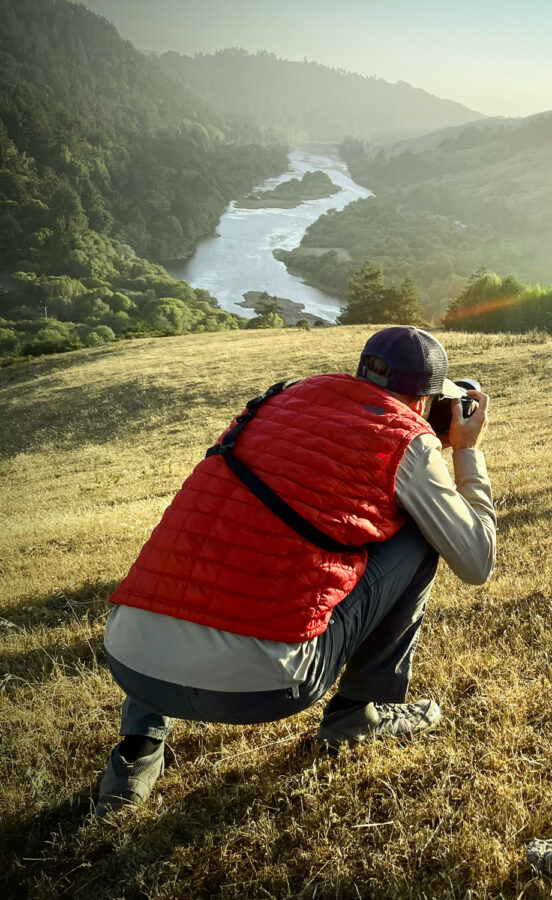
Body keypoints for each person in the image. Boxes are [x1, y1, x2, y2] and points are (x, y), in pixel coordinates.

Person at [94, 326, 495, 817]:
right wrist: (466, 450)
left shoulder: (276, 402)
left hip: (130, 661)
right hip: (262, 688)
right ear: (424, 400)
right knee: (420, 536)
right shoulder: (405, 439)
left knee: (204, 542)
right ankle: (358, 715)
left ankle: (136, 751)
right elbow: (476, 562)